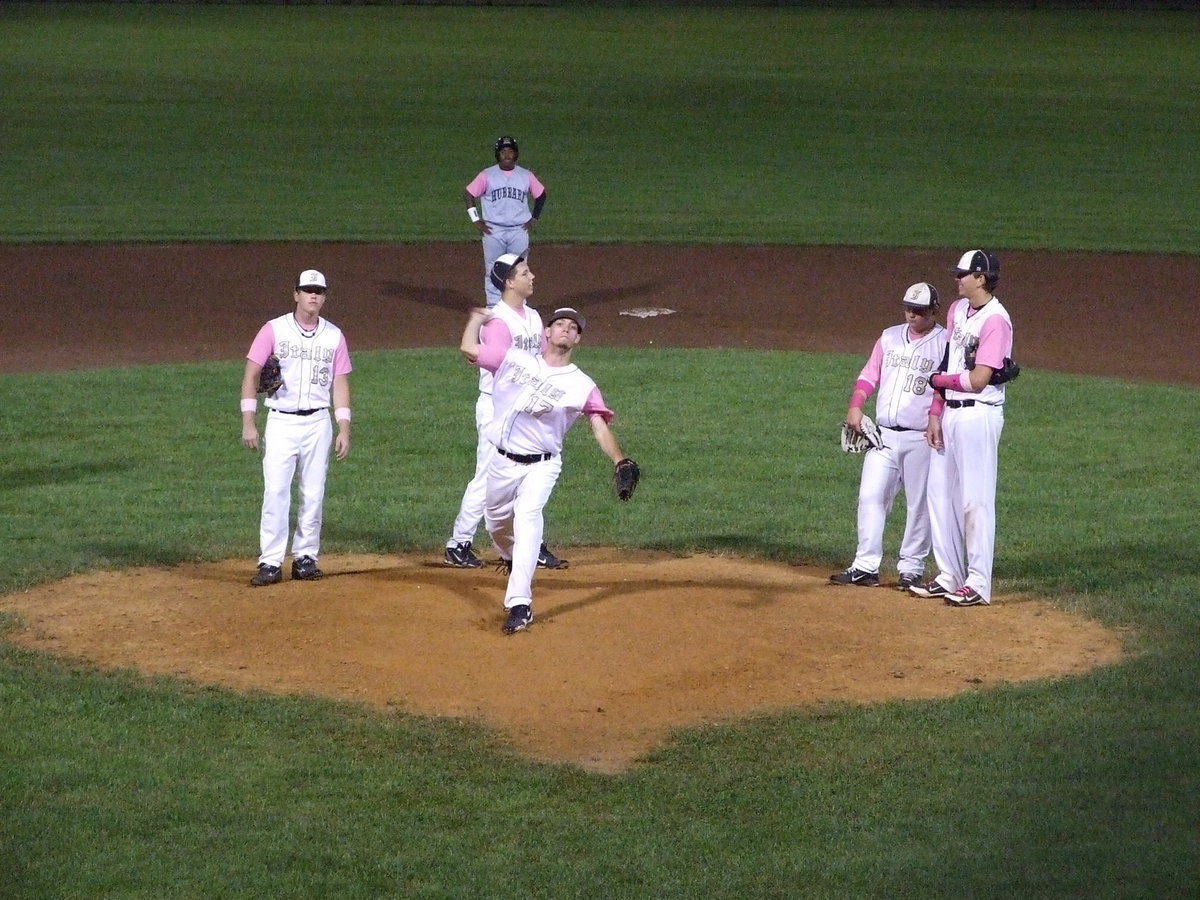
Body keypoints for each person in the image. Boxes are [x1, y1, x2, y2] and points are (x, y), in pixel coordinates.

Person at [460, 304, 630, 634]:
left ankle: (520, 604)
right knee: (496, 525)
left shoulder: (582, 384)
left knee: (528, 521)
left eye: (573, 327)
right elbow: (469, 348)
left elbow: (598, 424)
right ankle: (511, 559)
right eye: (560, 324)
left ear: (578, 339)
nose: (566, 328)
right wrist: (475, 320)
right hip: (501, 461)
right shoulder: (513, 359)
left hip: (542, 466)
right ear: (546, 333)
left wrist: (619, 459)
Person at [444, 254, 567, 570]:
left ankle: (530, 544)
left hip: (525, 408)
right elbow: (495, 364)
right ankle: (459, 543)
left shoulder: (534, 317)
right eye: (525, 272)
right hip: (497, 408)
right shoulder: (497, 321)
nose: (532, 276)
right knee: (488, 475)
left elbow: (541, 359)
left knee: (529, 476)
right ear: (509, 281)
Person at [909, 250, 1014, 607]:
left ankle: (979, 583)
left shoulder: (996, 321)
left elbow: (981, 379)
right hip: (951, 414)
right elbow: (949, 360)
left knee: (975, 501)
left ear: (981, 278)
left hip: (978, 415)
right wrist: (935, 411)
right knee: (940, 496)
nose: (957, 279)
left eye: (963, 274)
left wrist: (940, 381)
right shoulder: (956, 311)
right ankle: (949, 574)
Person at [830, 282, 948, 590]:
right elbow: (870, 374)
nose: (911, 314)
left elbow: (946, 387)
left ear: (933, 311)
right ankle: (865, 566)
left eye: (919, 310)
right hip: (882, 437)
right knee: (870, 496)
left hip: (921, 438)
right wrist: (855, 407)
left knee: (919, 505)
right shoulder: (889, 337)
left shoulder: (945, 343)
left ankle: (911, 567)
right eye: (908, 308)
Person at [240, 269, 352, 586]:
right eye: (307, 290)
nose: (313, 295)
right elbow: (251, 374)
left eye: (319, 290)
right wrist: (249, 421)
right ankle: (270, 562)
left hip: (318, 422)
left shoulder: (334, 336)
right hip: (281, 420)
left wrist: (343, 426)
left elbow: (340, 382)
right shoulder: (273, 330)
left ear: (324, 296)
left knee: (313, 493)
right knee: (276, 492)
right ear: (296, 294)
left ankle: (305, 557)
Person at [464, 135, 547, 308]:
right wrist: (476, 220)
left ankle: (519, 305)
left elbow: (541, 195)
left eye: (510, 151)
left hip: (519, 231)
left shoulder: (526, 175)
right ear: (498, 154)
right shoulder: (487, 175)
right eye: (503, 152)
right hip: (493, 231)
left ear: (516, 154)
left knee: (521, 270)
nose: (507, 155)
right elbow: (469, 194)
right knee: (492, 269)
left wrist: (534, 218)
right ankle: (493, 307)